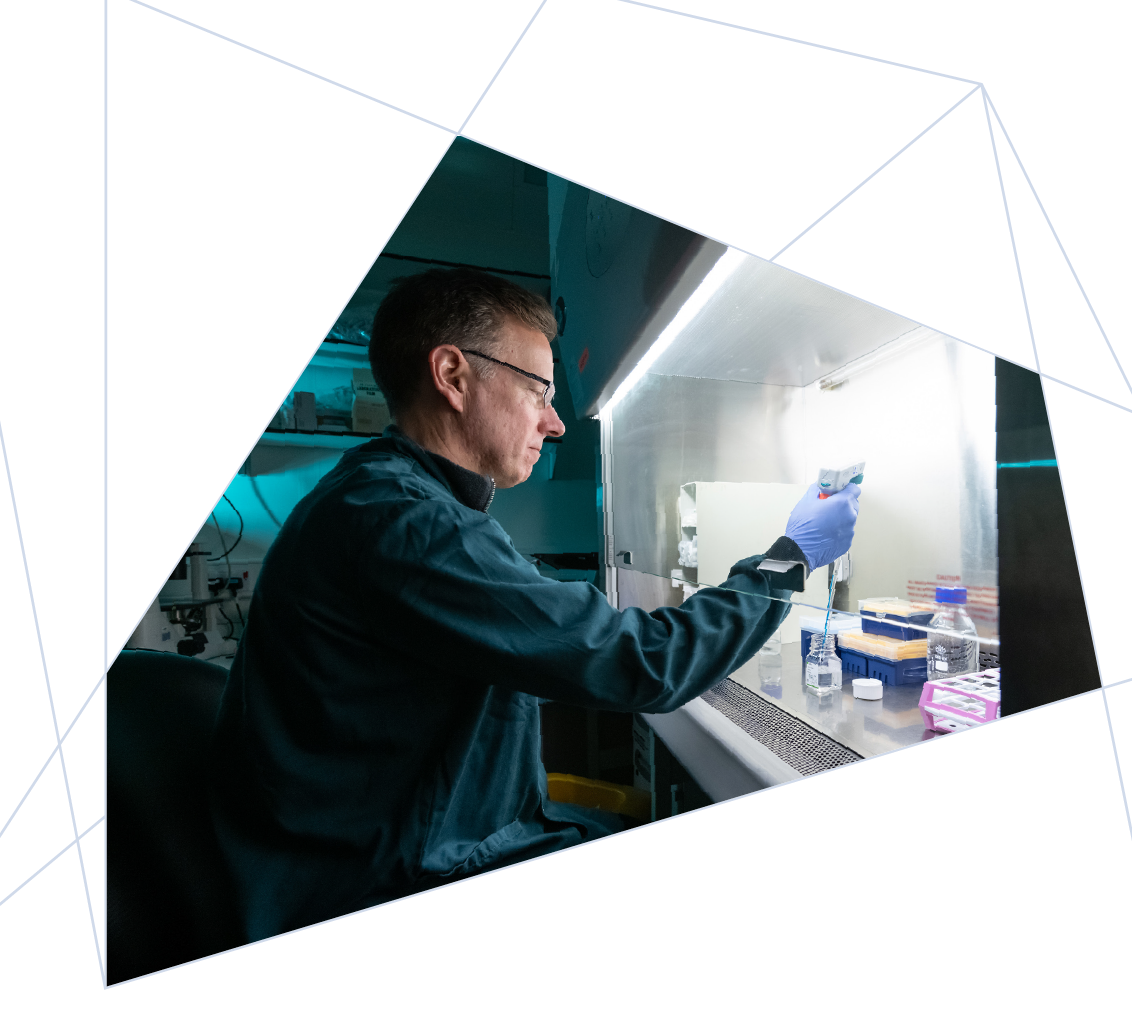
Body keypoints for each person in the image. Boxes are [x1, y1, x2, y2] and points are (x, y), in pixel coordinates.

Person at [208, 268, 859, 943]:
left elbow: (539, 619)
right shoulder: (404, 521)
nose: (552, 424)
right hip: (387, 882)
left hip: (404, 848)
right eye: (537, 390)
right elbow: (642, 665)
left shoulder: (382, 498)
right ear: (453, 375)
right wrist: (789, 558)